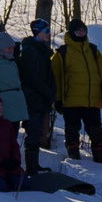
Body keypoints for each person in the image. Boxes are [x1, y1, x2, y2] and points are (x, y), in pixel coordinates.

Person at [0, 93, 96, 195]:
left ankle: (9, 177)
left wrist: (15, 159)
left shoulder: (6, 124)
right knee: (0, 187)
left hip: (9, 165)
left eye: (2, 105)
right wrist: (1, 162)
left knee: (24, 184)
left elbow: (14, 145)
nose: (1, 108)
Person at [54, 21, 102, 163]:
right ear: (72, 32)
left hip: (93, 100)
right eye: (78, 31)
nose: (81, 34)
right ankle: (74, 159)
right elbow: (56, 78)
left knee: (97, 131)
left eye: (83, 31)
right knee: (72, 130)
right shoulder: (62, 53)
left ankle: (99, 159)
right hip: (71, 101)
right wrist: (57, 99)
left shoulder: (93, 50)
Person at [22, 17, 60, 160]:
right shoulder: (30, 50)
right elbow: (32, 77)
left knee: (38, 133)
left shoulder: (43, 50)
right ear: (38, 32)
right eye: (46, 31)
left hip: (41, 98)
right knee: (33, 132)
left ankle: (34, 163)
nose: (49, 33)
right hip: (33, 98)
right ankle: (31, 166)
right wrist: (48, 92)